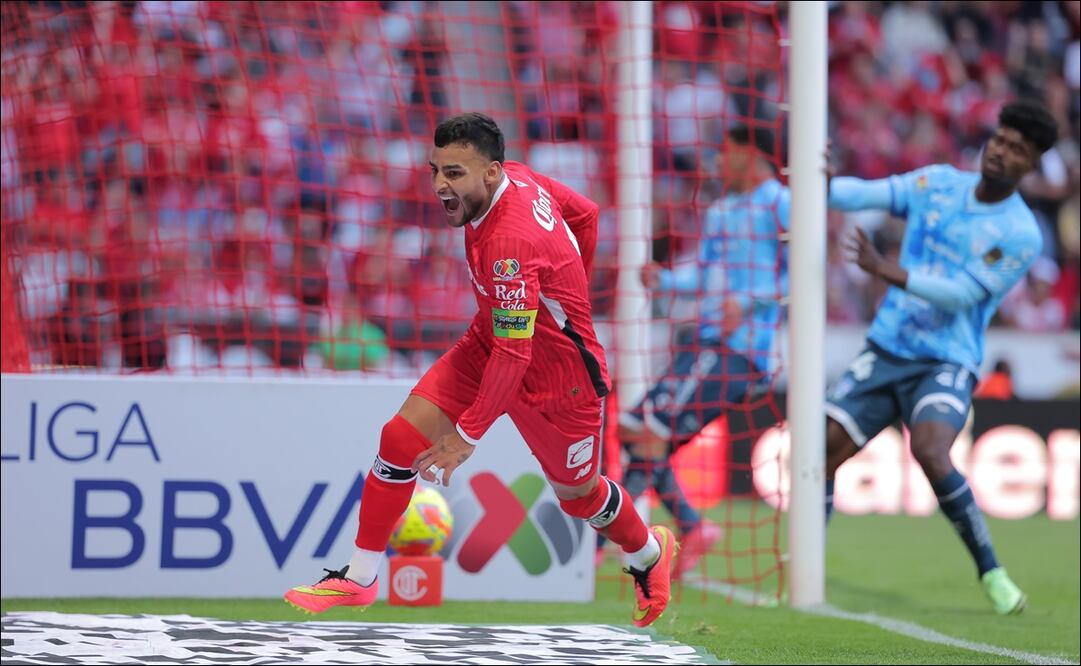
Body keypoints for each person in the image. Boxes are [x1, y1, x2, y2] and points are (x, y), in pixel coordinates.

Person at [285, 113, 677, 628]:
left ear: (490, 173)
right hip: (490, 339)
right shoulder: (519, 176)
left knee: (579, 498)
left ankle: (649, 553)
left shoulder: (507, 245)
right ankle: (359, 578)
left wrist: (466, 437)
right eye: (436, 171)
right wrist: (563, 282)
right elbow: (585, 214)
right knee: (399, 439)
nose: (440, 186)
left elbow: (515, 357)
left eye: (454, 173)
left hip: (562, 381)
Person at [824, 99, 1058, 615]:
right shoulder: (937, 184)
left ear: (1030, 166)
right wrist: (817, 181)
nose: (1001, 151)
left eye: (1017, 149)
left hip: (946, 361)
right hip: (886, 348)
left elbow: (962, 294)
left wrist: (890, 272)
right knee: (819, 454)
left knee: (930, 450)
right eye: (1000, 139)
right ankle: (806, 566)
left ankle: (992, 571)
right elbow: (865, 193)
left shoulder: (1020, 234)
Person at [615, 125, 789, 578]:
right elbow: (705, 275)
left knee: (649, 432)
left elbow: (804, 276)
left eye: (725, 151)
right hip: (705, 343)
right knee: (634, 426)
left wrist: (748, 303)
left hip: (741, 355)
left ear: (750, 153)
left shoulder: (779, 204)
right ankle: (690, 528)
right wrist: (666, 280)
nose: (718, 160)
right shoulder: (721, 210)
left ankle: (604, 543)